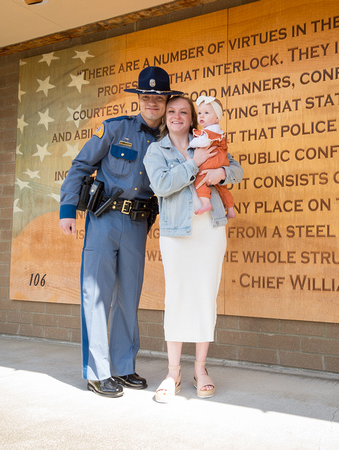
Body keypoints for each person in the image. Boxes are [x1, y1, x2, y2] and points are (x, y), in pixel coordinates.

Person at [59, 67, 183, 398]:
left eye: (158, 98)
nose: (152, 103)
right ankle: (97, 372)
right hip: (104, 220)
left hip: (138, 224)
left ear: (166, 100)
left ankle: (123, 365)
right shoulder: (116, 129)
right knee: (96, 294)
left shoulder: (170, 139)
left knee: (129, 296)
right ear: (139, 99)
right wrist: (67, 210)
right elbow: (81, 166)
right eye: (146, 97)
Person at [143, 95, 244, 402]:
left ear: (192, 118)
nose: (177, 116)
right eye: (171, 111)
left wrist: (222, 174)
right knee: (176, 296)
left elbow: (235, 168)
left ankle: (201, 369)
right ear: (165, 117)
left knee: (204, 295)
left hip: (210, 229)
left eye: (184, 112)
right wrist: (194, 164)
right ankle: (173, 372)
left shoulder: (207, 138)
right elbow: (160, 185)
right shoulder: (155, 150)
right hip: (176, 232)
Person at [189, 95, 236, 218]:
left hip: (212, 161)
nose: (202, 116)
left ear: (217, 118)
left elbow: (203, 142)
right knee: (222, 188)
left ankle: (206, 203)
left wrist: (191, 143)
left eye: (206, 113)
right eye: (199, 113)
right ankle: (230, 209)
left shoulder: (210, 131)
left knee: (200, 179)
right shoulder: (217, 131)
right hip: (221, 161)